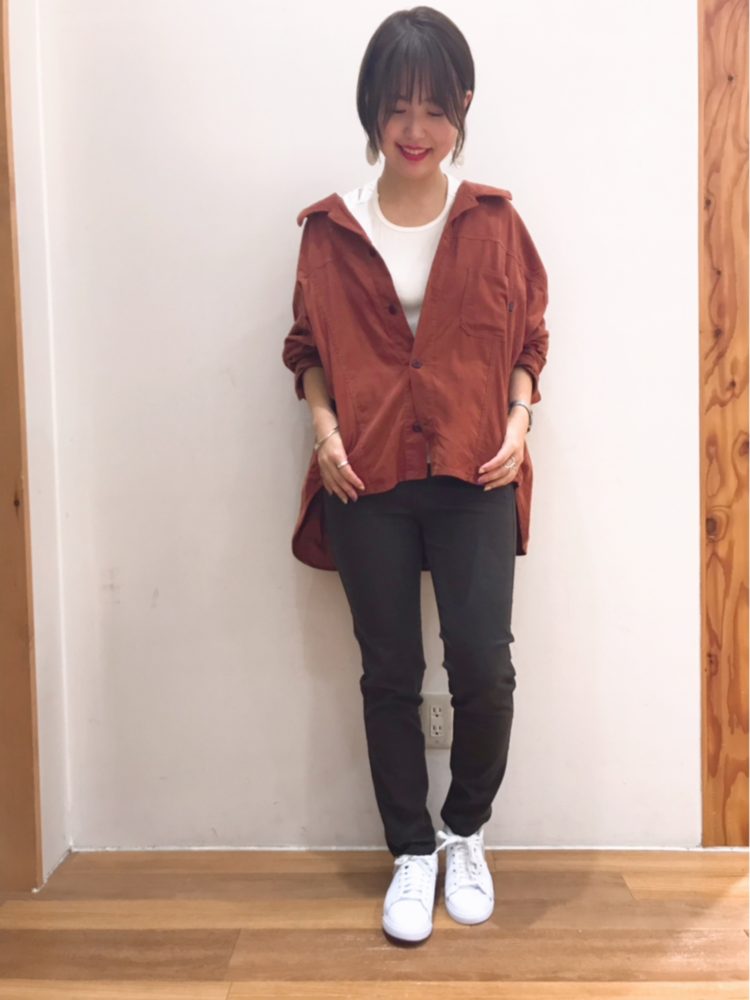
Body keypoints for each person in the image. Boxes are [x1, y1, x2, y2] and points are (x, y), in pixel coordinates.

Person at [282, 6, 550, 946]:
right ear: (372, 108)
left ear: (463, 106)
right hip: (367, 479)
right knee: (389, 673)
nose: (415, 127)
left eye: (435, 106)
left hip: (476, 470)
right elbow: (307, 347)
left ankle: (463, 834)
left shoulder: (494, 220)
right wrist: (323, 431)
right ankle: (408, 850)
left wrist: (519, 421)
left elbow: (531, 339)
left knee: (484, 668)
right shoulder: (330, 228)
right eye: (398, 106)